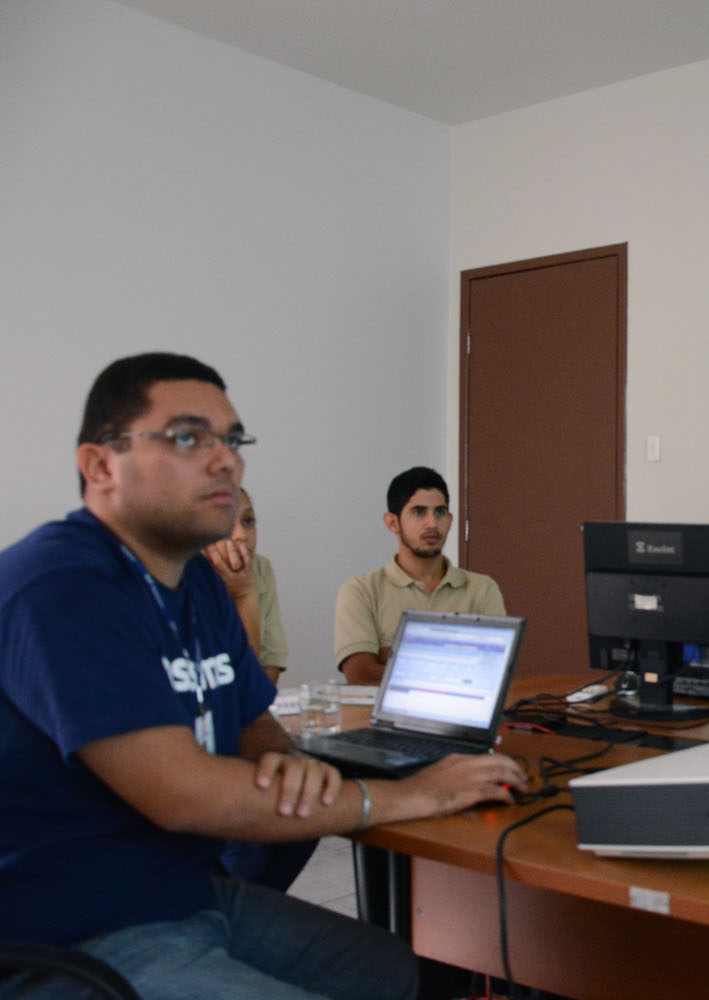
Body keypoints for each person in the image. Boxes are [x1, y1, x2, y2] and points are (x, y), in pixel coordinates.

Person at [0, 353, 528, 999]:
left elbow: (256, 728)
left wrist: (290, 763)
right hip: (74, 934)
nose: (226, 460)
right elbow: (181, 792)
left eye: (233, 440)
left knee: (396, 971)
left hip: (187, 895)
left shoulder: (197, 583)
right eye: (188, 438)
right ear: (100, 465)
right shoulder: (61, 588)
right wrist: (408, 795)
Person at [334, 467, 505, 685]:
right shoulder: (361, 591)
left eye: (440, 512)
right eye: (419, 512)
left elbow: (494, 670)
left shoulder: (482, 588)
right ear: (392, 523)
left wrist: (389, 655)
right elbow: (361, 674)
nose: (432, 523)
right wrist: (459, 660)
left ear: (450, 520)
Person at [204, 488, 288, 686]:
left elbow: (268, 667)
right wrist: (244, 594)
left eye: (248, 522)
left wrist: (245, 591)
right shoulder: (175, 575)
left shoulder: (259, 568)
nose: (241, 535)